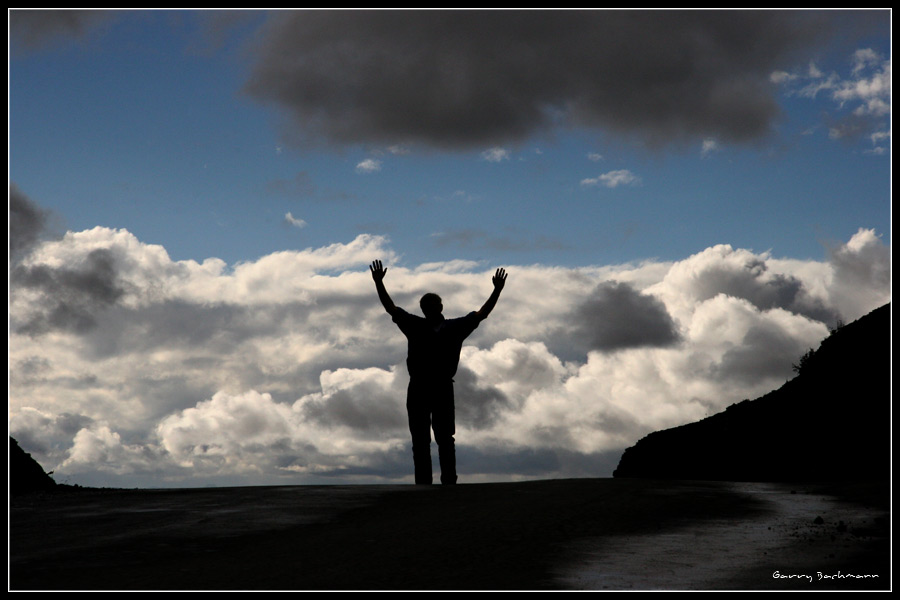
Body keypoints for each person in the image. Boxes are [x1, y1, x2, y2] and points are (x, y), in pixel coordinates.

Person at [370, 259, 507, 485]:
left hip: (442, 387)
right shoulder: (415, 326)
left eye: (433, 306)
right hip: (419, 388)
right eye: (426, 307)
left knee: (445, 438)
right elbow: (390, 308)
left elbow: (482, 314)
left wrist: (497, 291)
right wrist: (379, 284)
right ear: (423, 310)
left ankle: (448, 484)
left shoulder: (454, 328)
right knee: (420, 439)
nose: (430, 310)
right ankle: (423, 484)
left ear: (440, 308)